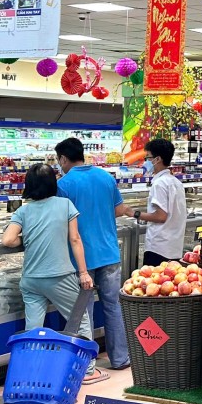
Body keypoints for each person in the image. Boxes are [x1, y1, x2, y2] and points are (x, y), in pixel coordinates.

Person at [55, 136, 133, 370]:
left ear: (63, 159)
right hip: (110, 252)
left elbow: (61, 221)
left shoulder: (64, 184)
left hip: (81, 258)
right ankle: (120, 358)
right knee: (114, 306)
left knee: (83, 311)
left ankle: (86, 363)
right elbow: (119, 209)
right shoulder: (105, 177)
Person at [1, 164, 93, 339]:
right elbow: (75, 239)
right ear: (52, 183)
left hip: (31, 279)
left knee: (33, 331)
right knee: (80, 322)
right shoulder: (65, 204)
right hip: (59, 276)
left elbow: (8, 240)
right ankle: (86, 358)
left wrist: (27, 238)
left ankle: (32, 357)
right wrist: (83, 273)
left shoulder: (23, 210)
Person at [136, 138, 188, 266]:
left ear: (157, 159)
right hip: (174, 247)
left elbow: (161, 216)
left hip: (158, 248)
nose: (146, 162)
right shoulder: (176, 182)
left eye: (148, 157)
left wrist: (135, 214)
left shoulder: (159, 184)